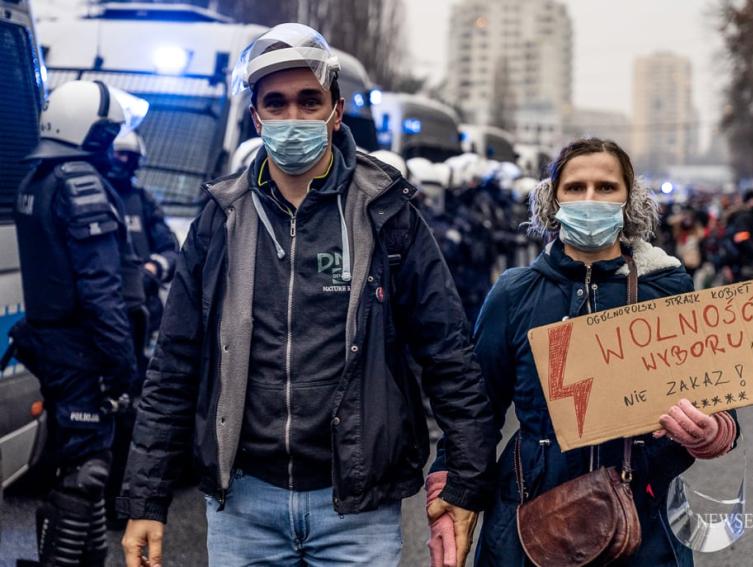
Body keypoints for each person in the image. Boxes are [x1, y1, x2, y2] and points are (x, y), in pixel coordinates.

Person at [118, 23, 496, 567]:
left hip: (355, 513)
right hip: (244, 506)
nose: (292, 118)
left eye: (308, 101)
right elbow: (173, 364)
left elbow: (449, 354)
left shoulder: (387, 213)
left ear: (335, 112)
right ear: (256, 116)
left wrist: (464, 482)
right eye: (276, 103)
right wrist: (146, 499)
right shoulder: (219, 219)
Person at [461, 138, 740, 566]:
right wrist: (456, 496)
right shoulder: (515, 293)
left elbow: (720, 400)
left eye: (606, 187)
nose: (590, 199)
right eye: (575, 188)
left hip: (645, 525)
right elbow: (476, 408)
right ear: (553, 200)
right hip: (529, 522)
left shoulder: (666, 289)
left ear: (629, 200)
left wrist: (711, 431)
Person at [11, 80, 141, 566]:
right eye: (107, 135)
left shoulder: (37, 180)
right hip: (83, 349)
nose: (111, 145)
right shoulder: (79, 184)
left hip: (51, 343)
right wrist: (124, 366)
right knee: (88, 469)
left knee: (81, 465)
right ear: (88, 133)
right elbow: (100, 290)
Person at [101, 130, 179, 528]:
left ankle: (123, 503)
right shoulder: (91, 195)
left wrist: (152, 269)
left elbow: (171, 249)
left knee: (134, 411)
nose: (122, 163)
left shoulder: (143, 201)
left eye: (129, 157)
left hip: (141, 319)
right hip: (100, 319)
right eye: (117, 154)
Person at [722, 188, 753, 283]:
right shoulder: (744, 217)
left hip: (741, 263)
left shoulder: (746, 216)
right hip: (742, 264)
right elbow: (741, 237)